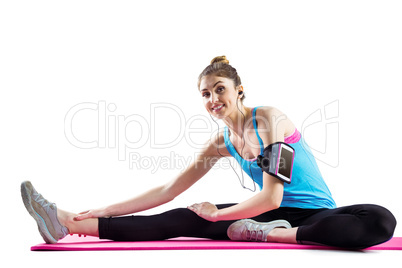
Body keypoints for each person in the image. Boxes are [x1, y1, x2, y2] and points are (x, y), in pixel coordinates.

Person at [21, 56, 396, 249]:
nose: (213, 99)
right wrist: (106, 208)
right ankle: (67, 222)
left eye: (219, 89)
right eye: (205, 93)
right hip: (265, 214)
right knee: (181, 217)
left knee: (379, 220)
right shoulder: (223, 143)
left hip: (315, 216)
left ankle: (272, 236)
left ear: (239, 91)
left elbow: (271, 196)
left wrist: (220, 214)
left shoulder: (270, 121)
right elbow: (167, 190)